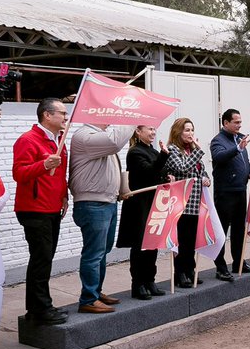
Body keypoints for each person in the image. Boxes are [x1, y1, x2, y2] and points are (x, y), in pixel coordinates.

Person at [13, 98, 70, 326]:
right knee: (41, 258)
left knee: (45, 258)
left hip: (52, 206)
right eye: (62, 113)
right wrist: (44, 165)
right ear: (47, 115)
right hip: (34, 208)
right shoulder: (28, 140)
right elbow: (19, 173)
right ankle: (40, 308)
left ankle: (38, 307)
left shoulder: (59, 140)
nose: (66, 118)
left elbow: (61, 172)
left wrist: (64, 194)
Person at [69, 122, 131, 314]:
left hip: (107, 202)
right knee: (94, 253)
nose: (112, 119)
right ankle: (88, 298)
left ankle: (95, 292)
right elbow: (115, 142)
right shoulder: (85, 135)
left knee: (102, 250)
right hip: (93, 203)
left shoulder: (99, 137)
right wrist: (131, 118)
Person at [117, 126, 168, 300]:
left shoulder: (152, 150)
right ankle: (138, 284)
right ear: (138, 132)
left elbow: (159, 173)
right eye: (150, 129)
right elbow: (148, 172)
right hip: (140, 205)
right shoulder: (134, 152)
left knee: (152, 243)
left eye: (154, 130)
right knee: (140, 245)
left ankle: (150, 280)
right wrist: (163, 156)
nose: (153, 132)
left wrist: (167, 178)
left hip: (154, 202)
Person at [210, 108, 250, 280]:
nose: (239, 125)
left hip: (240, 190)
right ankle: (220, 267)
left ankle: (239, 262)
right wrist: (237, 148)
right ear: (226, 123)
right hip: (225, 192)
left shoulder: (240, 138)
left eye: (240, 122)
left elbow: (245, 161)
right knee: (222, 231)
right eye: (236, 122)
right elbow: (220, 157)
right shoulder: (217, 141)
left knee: (239, 230)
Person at [165, 118, 210, 287]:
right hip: (181, 203)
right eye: (187, 130)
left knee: (191, 239)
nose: (191, 134)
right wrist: (198, 151)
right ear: (178, 132)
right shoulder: (172, 149)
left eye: (192, 130)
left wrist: (206, 179)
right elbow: (181, 168)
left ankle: (191, 270)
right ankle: (180, 274)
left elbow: (203, 171)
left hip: (196, 203)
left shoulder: (192, 150)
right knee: (182, 240)